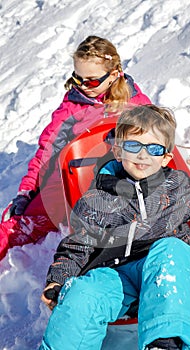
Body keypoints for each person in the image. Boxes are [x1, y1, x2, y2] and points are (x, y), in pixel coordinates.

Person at [39, 104, 190, 350]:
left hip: (165, 271)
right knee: (84, 293)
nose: (142, 155)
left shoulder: (177, 186)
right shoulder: (96, 200)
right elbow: (77, 247)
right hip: (117, 275)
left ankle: (164, 343)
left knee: (173, 249)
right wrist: (58, 280)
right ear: (118, 151)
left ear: (166, 157)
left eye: (154, 148)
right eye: (133, 146)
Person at [0, 35, 151, 260]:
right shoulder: (72, 106)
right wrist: (28, 191)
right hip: (70, 184)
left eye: (90, 80)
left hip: (120, 183)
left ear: (113, 74)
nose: (82, 86)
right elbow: (47, 150)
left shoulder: (135, 103)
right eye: (77, 78)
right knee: (21, 226)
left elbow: (158, 138)